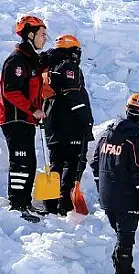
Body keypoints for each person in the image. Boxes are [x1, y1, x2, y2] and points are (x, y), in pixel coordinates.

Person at [90, 93, 139, 274]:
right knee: (125, 241)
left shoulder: (107, 134)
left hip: (107, 197)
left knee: (121, 236)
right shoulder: (137, 139)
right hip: (127, 198)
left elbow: (95, 163)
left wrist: (102, 187)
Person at [0, 15, 48, 222]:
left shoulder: (31, 61)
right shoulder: (17, 60)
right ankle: (17, 205)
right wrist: (32, 109)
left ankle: (24, 202)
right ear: (30, 34)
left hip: (26, 119)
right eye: (42, 35)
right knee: (20, 162)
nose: (45, 39)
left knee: (29, 161)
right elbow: (11, 91)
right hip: (14, 118)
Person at [42, 34, 94, 215]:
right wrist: (86, 121)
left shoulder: (49, 68)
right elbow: (73, 95)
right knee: (73, 163)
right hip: (71, 125)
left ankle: (49, 204)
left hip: (52, 125)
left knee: (55, 164)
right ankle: (66, 203)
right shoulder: (68, 67)